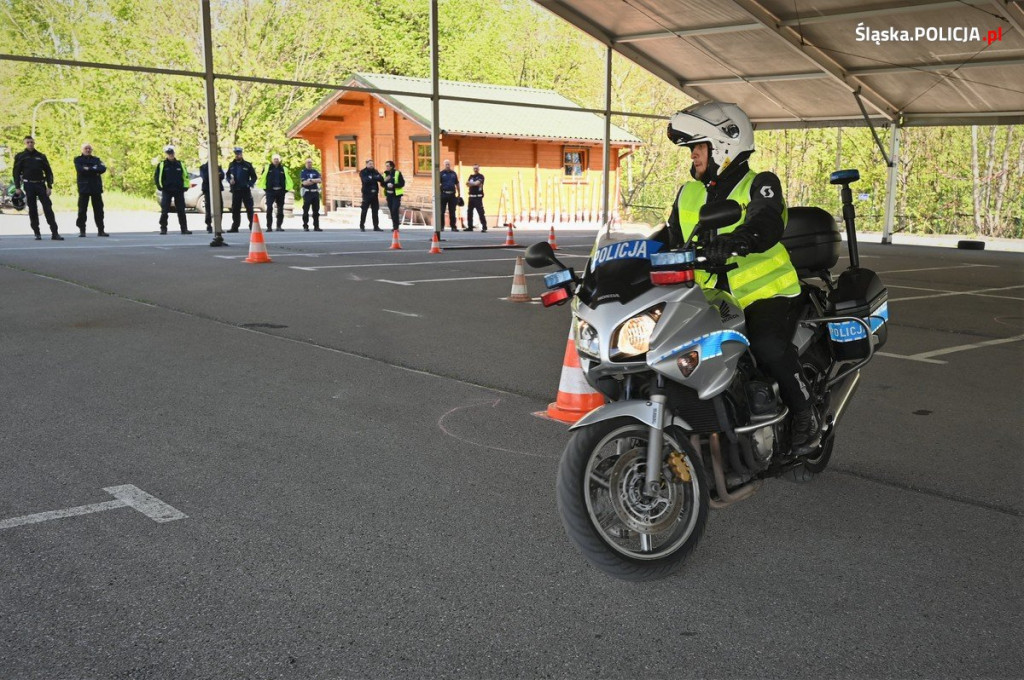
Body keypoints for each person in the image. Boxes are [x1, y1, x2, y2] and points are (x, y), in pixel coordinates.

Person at [664, 101, 819, 455]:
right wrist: (632, 255)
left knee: (767, 345)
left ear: (724, 145)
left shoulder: (759, 184)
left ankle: (804, 412)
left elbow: (765, 221)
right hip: (710, 299)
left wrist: (738, 240)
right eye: (692, 150)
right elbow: (669, 236)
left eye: (697, 148)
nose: (693, 157)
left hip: (765, 295)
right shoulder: (689, 193)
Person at [12, 135, 63, 240]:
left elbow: (48, 171)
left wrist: (49, 186)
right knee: (32, 209)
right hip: (29, 185)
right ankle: (37, 232)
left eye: (31, 142)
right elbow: (16, 172)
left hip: (40, 185)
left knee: (48, 208)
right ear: (25, 144)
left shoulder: (41, 156)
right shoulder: (21, 156)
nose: (30, 144)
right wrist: (17, 187)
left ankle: (55, 233)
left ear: (34, 143)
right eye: (28, 142)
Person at [154, 145, 191, 235]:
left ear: (174, 153)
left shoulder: (180, 164)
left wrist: (185, 186)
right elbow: (157, 177)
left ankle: (184, 229)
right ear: (166, 154)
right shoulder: (162, 165)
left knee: (181, 210)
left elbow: (185, 176)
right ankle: (163, 228)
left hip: (178, 190)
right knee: (165, 210)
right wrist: (160, 186)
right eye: (169, 153)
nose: (170, 155)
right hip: (167, 190)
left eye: (172, 153)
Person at [73, 143, 107, 237]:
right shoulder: (78, 159)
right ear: (82, 150)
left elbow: (103, 168)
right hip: (84, 188)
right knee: (82, 210)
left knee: (99, 210)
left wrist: (88, 168)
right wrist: (94, 168)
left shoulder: (96, 159)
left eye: (89, 148)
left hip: (96, 188)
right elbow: (80, 169)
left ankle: (101, 230)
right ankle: (82, 230)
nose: (88, 150)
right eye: (86, 148)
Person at [226, 146, 257, 232]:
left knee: (249, 208)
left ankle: (252, 226)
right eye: (236, 154)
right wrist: (230, 180)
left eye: (239, 154)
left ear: (241, 154)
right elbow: (228, 175)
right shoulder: (232, 165)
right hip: (236, 190)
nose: (237, 155)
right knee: (235, 209)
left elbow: (254, 177)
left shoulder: (247, 165)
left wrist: (249, 184)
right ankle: (235, 227)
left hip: (245, 190)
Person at [259, 154, 293, 231]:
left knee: (280, 209)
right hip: (270, 191)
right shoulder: (267, 168)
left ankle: (279, 226)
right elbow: (263, 178)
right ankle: (269, 227)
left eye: (277, 159)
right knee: (269, 209)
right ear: (272, 160)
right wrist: (266, 189)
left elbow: (287, 180)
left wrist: (285, 190)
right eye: (274, 159)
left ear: (280, 160)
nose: (276, 160)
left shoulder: (284, 169)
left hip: (280, 191)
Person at [199, 159, 224, 234]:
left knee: (220, 207)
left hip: (217, 189)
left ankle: (218, 225)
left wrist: (217, 174)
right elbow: (206, 177)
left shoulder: (218, 167)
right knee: (209, 208)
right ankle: (209, 225)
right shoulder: (203, 167)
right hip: (208, 190)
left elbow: (222, 176)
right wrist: (216, 174)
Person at [358, 159, 383, 231]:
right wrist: (375, 177)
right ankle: (362, 226)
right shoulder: (363, 172)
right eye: (370, 164)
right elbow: (366, 180)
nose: (371, 165)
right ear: (366, 164)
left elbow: (381, 179)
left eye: (372, 164)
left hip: (374, 194)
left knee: (375, 211)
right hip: (366, 194)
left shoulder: (375, 171)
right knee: (364, 210)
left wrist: (373, 177)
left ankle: (376, 226)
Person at [381, 160, 405, 230]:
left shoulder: (397, 173)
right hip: (389, 195)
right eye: (386, 166)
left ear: (391, 166)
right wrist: (385, 181)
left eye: (388, 166)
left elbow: (402, 183)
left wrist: (393, 185)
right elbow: (382, 184)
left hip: (396, 195)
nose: (386, 167)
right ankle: (394, 225)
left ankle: (396, 227)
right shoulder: (385, 174)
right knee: (391, 210)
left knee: (395, 209)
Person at [299, 158, 322, 231]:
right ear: (305, 163)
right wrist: (315, 181)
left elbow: (320, 180)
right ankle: (305, 226)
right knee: (306, 210)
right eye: (308, 162)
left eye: (310, 162)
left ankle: (316, 226)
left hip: (315, 192)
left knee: (316, 211)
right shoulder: (303, 172)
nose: (309, 164)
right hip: (307, 192)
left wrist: (311, 180)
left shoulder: (315, 171)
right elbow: (304, 183)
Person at [439, 160, 460, 232]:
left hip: (452, 195)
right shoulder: (441, 173)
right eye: (446, 164)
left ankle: (453, 227)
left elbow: (457, 183)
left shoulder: (453, 173)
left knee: (452, 211)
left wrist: (459, 193)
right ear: (444, 165)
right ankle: (441, 226)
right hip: (444, 194)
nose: (447, 166)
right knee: (442, 211)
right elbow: (437, 183)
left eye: (448, 164)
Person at [465, 164, 486, 232]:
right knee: (469, 212)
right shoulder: (471, 176)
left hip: (478, 197)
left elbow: (477, 183)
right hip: (471, 197)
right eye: (474, 168)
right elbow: (467, 184)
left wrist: (472, 183)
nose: (475, 169)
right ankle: (470, 227)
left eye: (476, 168)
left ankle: (484, 227)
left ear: (479, 169)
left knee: (480, 212)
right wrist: (473, 183)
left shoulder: (481, 176)